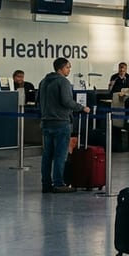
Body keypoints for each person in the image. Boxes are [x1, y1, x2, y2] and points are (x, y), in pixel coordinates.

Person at [38, 57, 90, 194]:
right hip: (61, 122)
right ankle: (59, 183)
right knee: (60, 155)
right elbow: (67, 101)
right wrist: (82, 107)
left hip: (46, 122)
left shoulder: (43, 82)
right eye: (68, 67)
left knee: (47, 155)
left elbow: (39, 102)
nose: (69, 70)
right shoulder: (63, 82)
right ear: (61, 68)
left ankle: (46, 184)